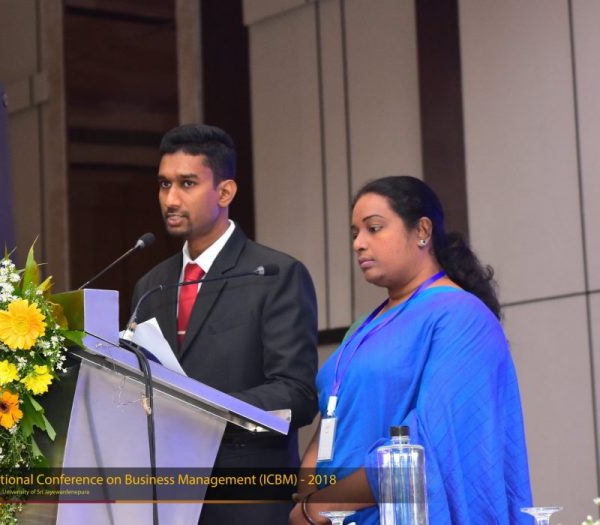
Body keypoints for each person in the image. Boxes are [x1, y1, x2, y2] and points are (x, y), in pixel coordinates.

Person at [290, 176, 532, 524]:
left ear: (422, 231)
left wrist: (320, 508)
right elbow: (332, 417)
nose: (358, 243)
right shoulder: (362, 327)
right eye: (355, 233)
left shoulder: (461, 316)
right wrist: (307, 500)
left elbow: (427, 443)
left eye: (374, 228)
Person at [131, 124, 319, 524]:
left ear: (225, 192)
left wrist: (206, 408)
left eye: (187, 184)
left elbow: (298, 394)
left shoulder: (274, 274)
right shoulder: (150, 286)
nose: (171, 199)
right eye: (164, 184)